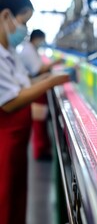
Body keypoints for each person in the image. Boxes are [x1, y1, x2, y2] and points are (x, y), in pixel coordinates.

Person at [0, 0, 69, 224]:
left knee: (17, 197)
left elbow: (24, 83)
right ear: (6, 15)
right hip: (4, 142)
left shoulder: (9, 52)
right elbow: (9, 102)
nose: (25, 30)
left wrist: (51, 76)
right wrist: (50, 80)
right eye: (24, 22)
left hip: (18, 139)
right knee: (5, 200)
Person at [20, 29, 63, 160]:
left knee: (41, 120)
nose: (42, 43)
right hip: (34, 87)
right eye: (42, 40)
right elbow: (38, 69)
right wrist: (55, 63)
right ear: (37, 38)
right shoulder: (28, 50)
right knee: (38, 120)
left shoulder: (31, 49)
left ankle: (43, 148)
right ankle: (40, 150)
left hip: (36, 85)